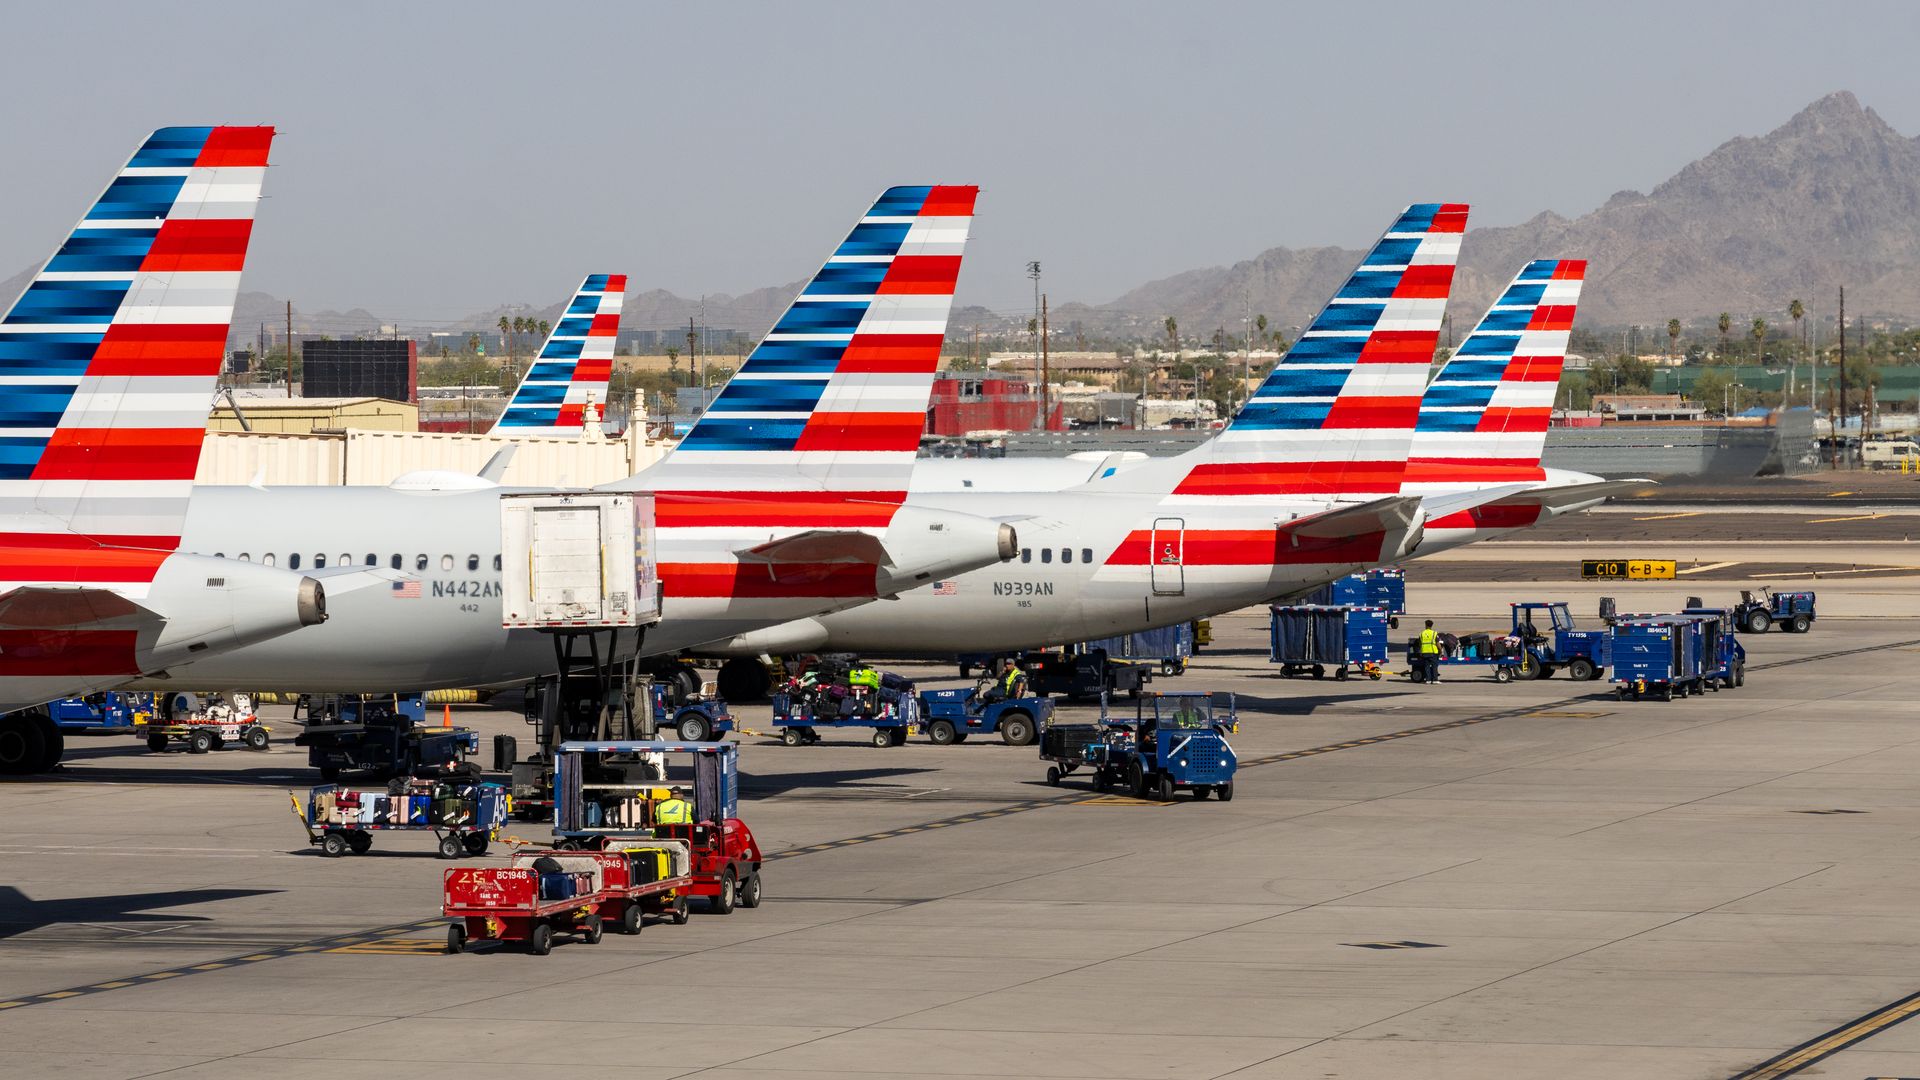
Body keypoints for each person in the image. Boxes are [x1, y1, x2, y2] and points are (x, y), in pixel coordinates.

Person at [1417, 620, 1442, 684]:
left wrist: (1420, 651)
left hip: (1424, 652)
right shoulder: (1434, 633)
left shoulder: (1422, 633)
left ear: (1425, 625)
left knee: (1426, 666)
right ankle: (1435, 680)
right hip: (1433, 652)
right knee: (1434, 666)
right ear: (1431, 625)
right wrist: (1440, 651)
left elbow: (1419, 644)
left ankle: (1428, 680)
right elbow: (1437, 643)